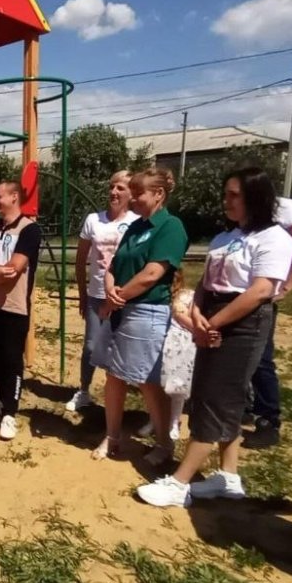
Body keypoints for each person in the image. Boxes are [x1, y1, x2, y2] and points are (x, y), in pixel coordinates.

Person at [138, 167, 292, 507]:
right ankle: (229, 476)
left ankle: (180, 483)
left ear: (255, 197)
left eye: (234, 195)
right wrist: (197, 314)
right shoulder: (225, 238)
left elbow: (260, 290)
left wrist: (213, 323)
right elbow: (206, 284)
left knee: (216, 397)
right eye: (226, 194)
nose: (226, 201)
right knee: (217, 394)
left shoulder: (274, 238)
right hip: (212, 315)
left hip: (244, 322)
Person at [91, 168, 188, 463]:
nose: (132, 198)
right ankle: (112, 436)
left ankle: (164, 445)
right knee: (113, 375)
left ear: (158, 194)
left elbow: (153, 273)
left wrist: (118, 296)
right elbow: (113, 265)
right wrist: (110, 288)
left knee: (147, 380)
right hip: (121, 308)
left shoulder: (170, 227)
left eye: (138, 192)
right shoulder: (135, 227)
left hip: (146, 310)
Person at [243, 195, 292, 449]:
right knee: (238, 354)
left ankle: (268, 420)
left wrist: (286, 287)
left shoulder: (282, 206)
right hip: (237, 294)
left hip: (262, 296)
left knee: (261, 357)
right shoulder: (241, 205)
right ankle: (245, 406)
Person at [0, 181, 42, 441]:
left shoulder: (29, 229)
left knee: (12, 358)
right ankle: (1, 399)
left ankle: (11, 413)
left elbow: (15, 268)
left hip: (14, 306)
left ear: (14, 197)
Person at [67, 171, 137, 411]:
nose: (114, 192)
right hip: (96, 294)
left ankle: (115, 397)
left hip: (123, 296)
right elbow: (80, 260)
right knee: (90, 346)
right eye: (112, 186)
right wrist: (82, 294)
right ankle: (84, 390)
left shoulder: (137, 221)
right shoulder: (93, 220)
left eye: (120, 188)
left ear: (131, 194)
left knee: (120, 348)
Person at [153, 270, 196, 440]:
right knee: (157, 385)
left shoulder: (187, 296)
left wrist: (179, 314)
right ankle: (155, 419)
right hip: (159, 345)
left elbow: (193, 323)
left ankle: (174, 421)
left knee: (177, 386)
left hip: (180, 348)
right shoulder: (156, 297)